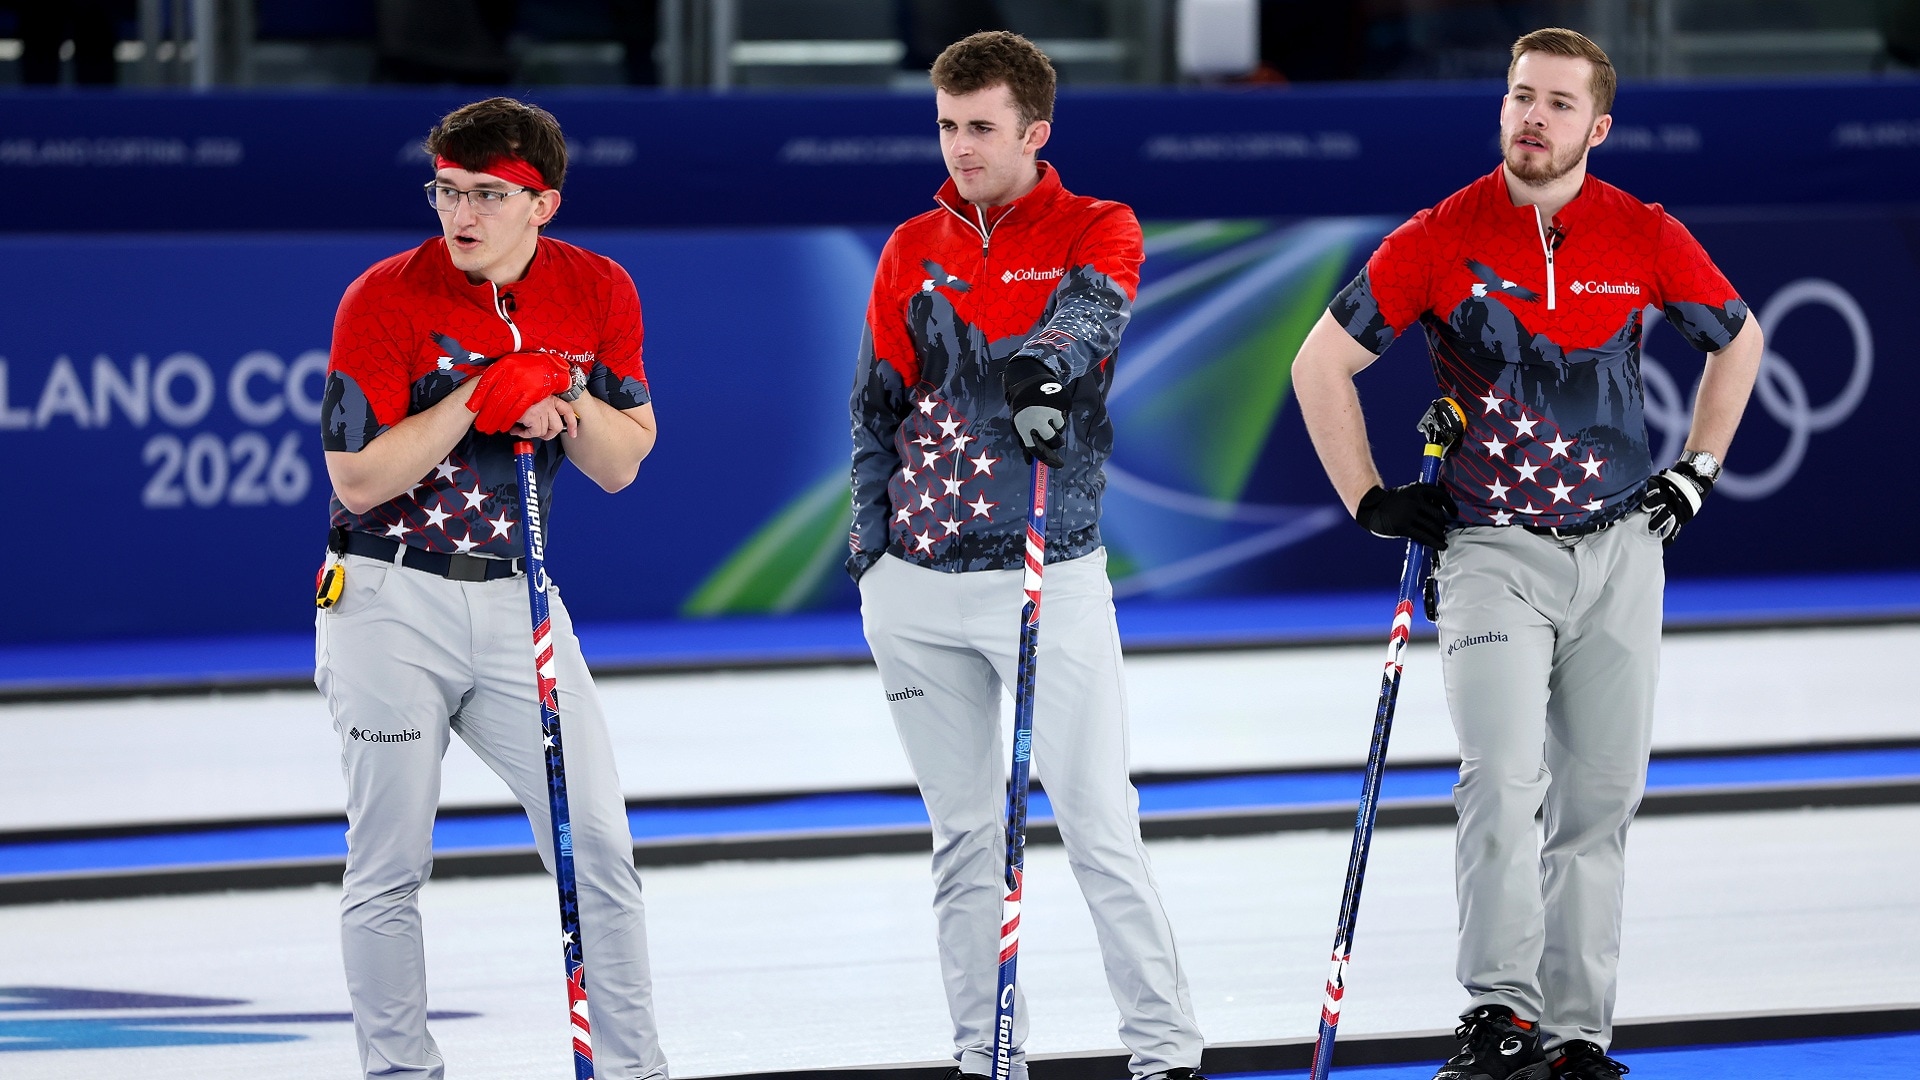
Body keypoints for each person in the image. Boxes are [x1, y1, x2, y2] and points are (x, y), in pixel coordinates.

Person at [1289, 28, 1763, 1080]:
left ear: (1596, 126)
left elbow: (1739, 337)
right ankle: (1499, 1012)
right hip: (1492, 550)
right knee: (1500, 779)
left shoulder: (1641, 233)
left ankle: (1577, 1034)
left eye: (1554, 104)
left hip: (1621, 549)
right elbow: (1320, 364)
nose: (1530, 120)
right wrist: (1368, 497)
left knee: (1598, 802)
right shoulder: (1440, 235)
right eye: (1517, 99)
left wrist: (1699, 469)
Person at [848, 31, 1207, 1080]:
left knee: (1097, 822)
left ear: (1034, 132)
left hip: (1049, 572)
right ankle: (983, 1057)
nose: (961, 147)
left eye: (982, 128)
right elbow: (875, 403)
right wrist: (870, 551)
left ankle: (1164, 1051)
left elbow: (1096, 312)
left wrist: (1042, 371)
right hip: (915, 584)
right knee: (963, 837)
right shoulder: (913, 244)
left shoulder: (1096, 224)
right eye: (949, 126)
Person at [316, 96, 665, 1080]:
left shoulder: (598, 289)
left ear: (541, 204)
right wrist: (482, 392)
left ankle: (636, 1070)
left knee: (596, 846)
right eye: (445, 190)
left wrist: (562, 397)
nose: (459, 214)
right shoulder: (383, 298)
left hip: (521, 595)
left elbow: (624, 460)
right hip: (388, 598)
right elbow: (357, 478)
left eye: (485, 195)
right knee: (387, 867)